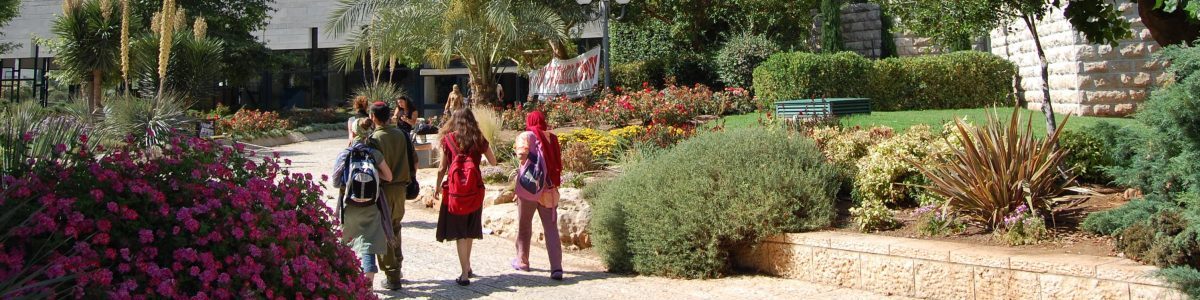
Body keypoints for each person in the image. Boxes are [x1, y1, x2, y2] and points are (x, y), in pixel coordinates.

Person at [433, 107, 497, 286]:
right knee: (469, 229)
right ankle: (467, 266)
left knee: (460, 231)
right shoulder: (478, 138)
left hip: (455, 192)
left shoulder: (448, 139)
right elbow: (494, 161)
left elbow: (441, 168)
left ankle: (464, 274)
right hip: (475, 190)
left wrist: (437, 187)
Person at [332, 118, 398, 288]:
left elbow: (335, 181)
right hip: (370, 206)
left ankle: (346, 282)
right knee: (368, 245)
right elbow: (389, 177)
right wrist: (375, 175)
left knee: (347, 243)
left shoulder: (345, 154)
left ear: (353, 132)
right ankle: (367, 289)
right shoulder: (374, 153)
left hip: (349, 206)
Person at [511, 111, 565, 280]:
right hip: (549, 189)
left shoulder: (527, 135)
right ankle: (556, 268)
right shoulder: (552, 137)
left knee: (524, 224)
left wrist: (526, 159)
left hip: (530, 188)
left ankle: (522, 261)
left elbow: (521, 154)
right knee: (551, 229)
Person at [367, 101, 414, 290]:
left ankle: (392, 275)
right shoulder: (401, 134)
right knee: (395, 227)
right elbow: (414, 161)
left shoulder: (374, 139)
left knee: (383, 231)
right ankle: (398, 265)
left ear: (373, 117)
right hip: (401, 189)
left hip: (383, 190)